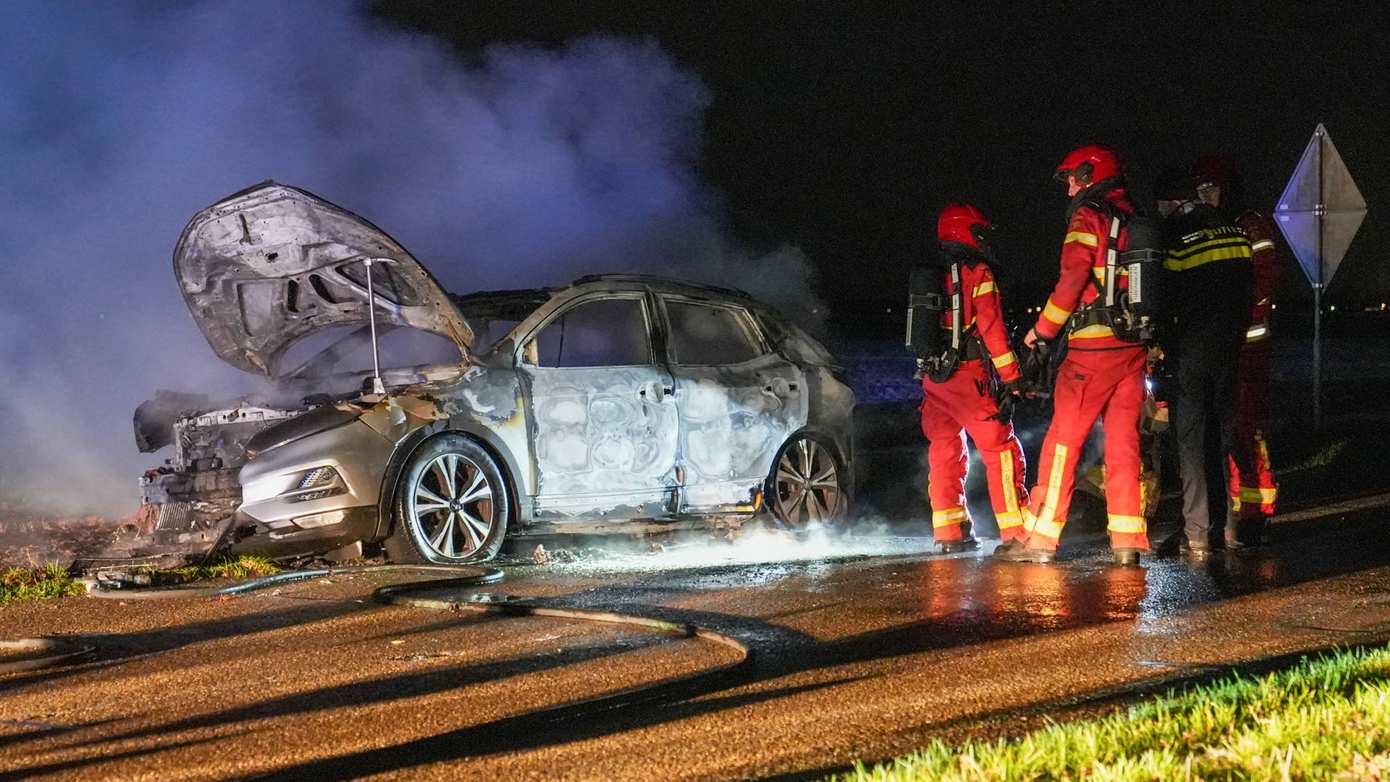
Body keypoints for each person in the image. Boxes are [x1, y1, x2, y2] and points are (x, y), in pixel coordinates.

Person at [994, 145, 1149, 566]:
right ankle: (1128, 542)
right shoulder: (1136, 219)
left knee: (1063, 442)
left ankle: (1040, 539)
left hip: (1091, 352)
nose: (1069, 191)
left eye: (1072, 181)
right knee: (1124, 444)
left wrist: (1040, 331)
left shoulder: (1088, 217)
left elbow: (1072, 280)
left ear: (1089, 175)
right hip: (1132, 349)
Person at [919, 204, 1031, 553]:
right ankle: (1015, 534)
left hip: (934, 380)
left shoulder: (932, 275)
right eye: (979, 233)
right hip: (970, 378)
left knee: (944, 452)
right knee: (1001, 450)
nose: (984, 240)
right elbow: (992, 329)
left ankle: (950, 533)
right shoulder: (977, 273)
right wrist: (1013, 377)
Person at [1155, 167, 1254, 558]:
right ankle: (1228, 526)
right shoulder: (1236, 233)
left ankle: (1197, 533)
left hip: (1192, 352)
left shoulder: (1180, 236)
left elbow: (1167, 298)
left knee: (1191, 442)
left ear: (1177, 203)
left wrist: (1160, 343)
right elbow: (1249, 291)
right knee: (1223, 438)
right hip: (1230, 351)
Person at [1193, 156, 1281, 547]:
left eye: (1211, 190)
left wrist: (1238, 312)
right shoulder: (1218, 228)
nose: (1205, 198)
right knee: (1226, 429)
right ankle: (1236, 509)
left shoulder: (1250, 224)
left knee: (1246, 428)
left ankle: (1255, 512)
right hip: (1225, 344)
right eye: (1200, 192)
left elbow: (1267, 277)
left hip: (1248, 346)